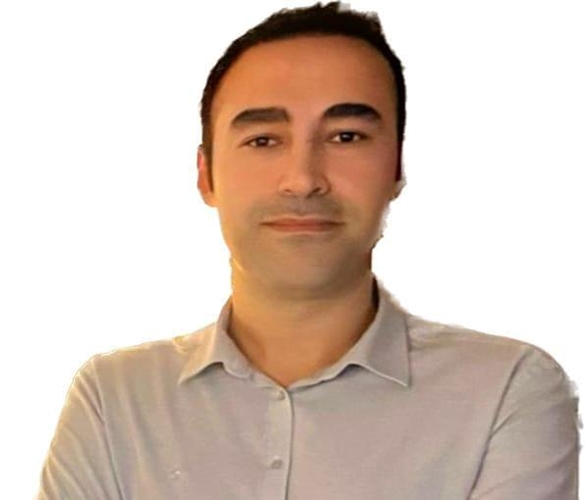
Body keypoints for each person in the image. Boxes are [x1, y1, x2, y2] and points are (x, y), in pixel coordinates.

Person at [37, 2, 580, 498]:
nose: (302, 179)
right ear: (206, 174)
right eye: (263, 140)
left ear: (396, 166)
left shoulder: (505, 391)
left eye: (346, 136)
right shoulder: (115, 400)